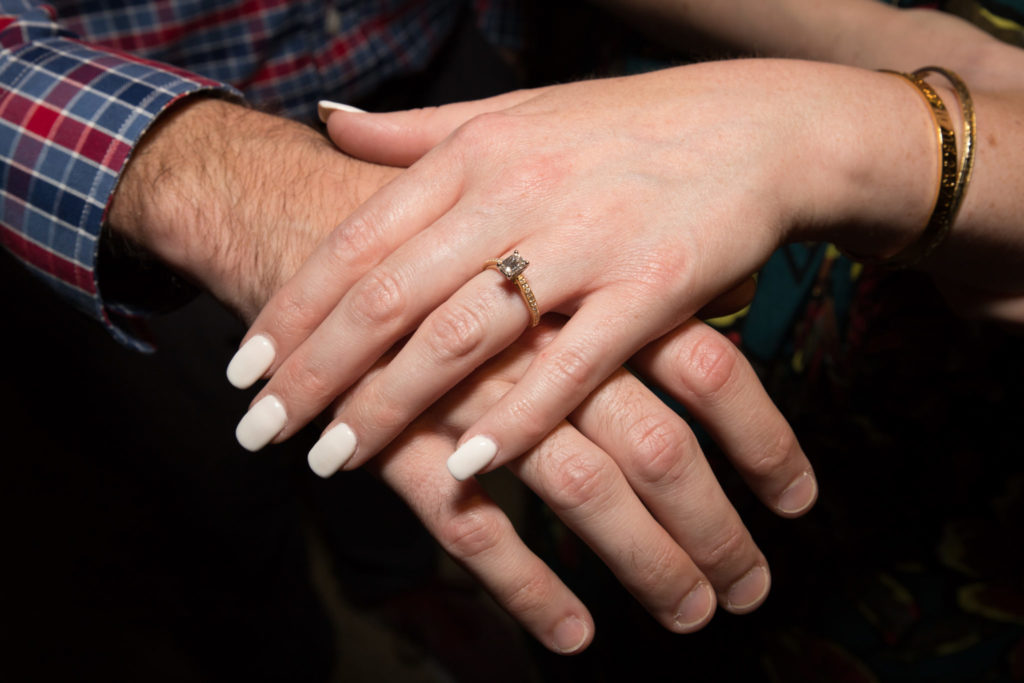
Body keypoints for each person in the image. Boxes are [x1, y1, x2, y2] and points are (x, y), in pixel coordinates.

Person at [0, 0, 815, 668]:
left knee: (415, 419)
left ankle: (391, 580)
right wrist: (206, 180)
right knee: (212, 488)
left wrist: (496, 67)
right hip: (128, 158)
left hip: (441, 77)